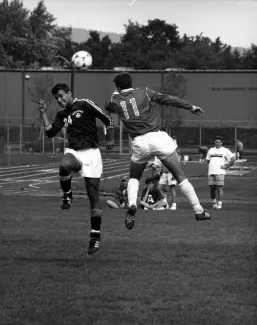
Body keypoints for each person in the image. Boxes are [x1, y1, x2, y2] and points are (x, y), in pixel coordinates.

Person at [105, 72, 211, 230]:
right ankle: (198, 210)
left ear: (118, 87)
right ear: (131, 83)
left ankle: (132, 205)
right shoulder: (144, 91)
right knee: (180, 176)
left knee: (134, 177)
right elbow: (167, 99)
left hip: (139, 142)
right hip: (158, 138)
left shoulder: (115, 100)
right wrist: (191, 107)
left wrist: (116, 94)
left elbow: (107, 107)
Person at [37, 83, 114, 255]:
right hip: (74, 151)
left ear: (70, 93)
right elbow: (50, 132)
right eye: (57, 98)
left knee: (93, 195)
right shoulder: (62, 114)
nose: (59, 100)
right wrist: (43, 113)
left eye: (62, 95)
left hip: (92, 153)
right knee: (64, 165)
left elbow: (107, 119)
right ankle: (67, 193)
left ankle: (95, 235)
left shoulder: (85, 104)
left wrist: (110, 139)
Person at [206, 135, 236, 209]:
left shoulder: (225, 150)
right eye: (216, 142)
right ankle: (214, 202)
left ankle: (219, 204)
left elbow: (233, 158)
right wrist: (213, 165)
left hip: (220, 172)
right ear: (214, 142)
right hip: (211, 172)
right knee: (212, 188)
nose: (217, 143)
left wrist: (226, 166)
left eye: (219, 142)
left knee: (219, 188)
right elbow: (208, 160)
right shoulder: (211, 150)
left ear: (222, 143)